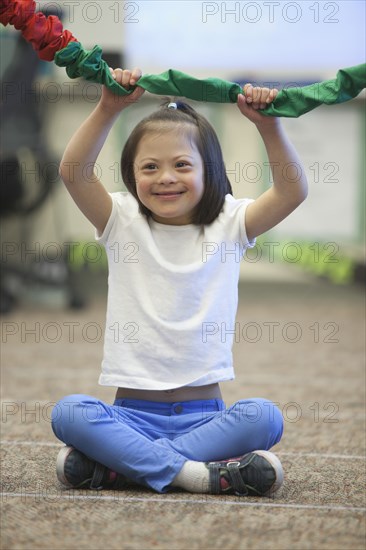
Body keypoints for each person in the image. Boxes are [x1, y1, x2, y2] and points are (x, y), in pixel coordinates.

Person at [51, 67, 307, 496]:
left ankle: (125, 466)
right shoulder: (121, 220)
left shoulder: (231, 222)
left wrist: (270, 126)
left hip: (207, 417)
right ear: (133, 177)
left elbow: (291, 191)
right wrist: (108, 107)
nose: (165, 176)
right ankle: (193, 474)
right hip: (129, 415)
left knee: (264, 418)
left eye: (181, 165)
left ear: (209, 171)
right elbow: (74, 172)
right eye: (149, 167)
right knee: (68, 413)